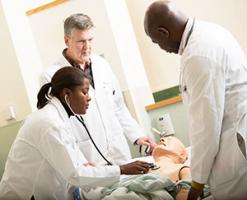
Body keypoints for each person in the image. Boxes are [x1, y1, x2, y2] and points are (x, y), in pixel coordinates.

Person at [144, 1, 247, 199]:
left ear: (164, 32)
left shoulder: (198, 54)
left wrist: (197, 183)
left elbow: (205, 126)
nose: (161, 48)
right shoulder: (211, 32)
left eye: (157, 42)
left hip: (234, 151)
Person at [0, 67, 152, 200]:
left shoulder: (57, 118)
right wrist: (122, 169)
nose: (89, 97)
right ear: (67, 94)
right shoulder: (49, 123)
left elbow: (70, 164)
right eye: (84, 92)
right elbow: (76, 174)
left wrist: (87, 166)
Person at [41, 13, 155, 166]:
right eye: (81, 41)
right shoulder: (52, 76)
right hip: (88, 155)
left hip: (118, 150)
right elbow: (58, 126)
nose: (87, 47)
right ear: (66, 40)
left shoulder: (102, 65)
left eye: (90, 40)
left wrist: (137, 135)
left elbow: (118, 107)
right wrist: (77, 161)